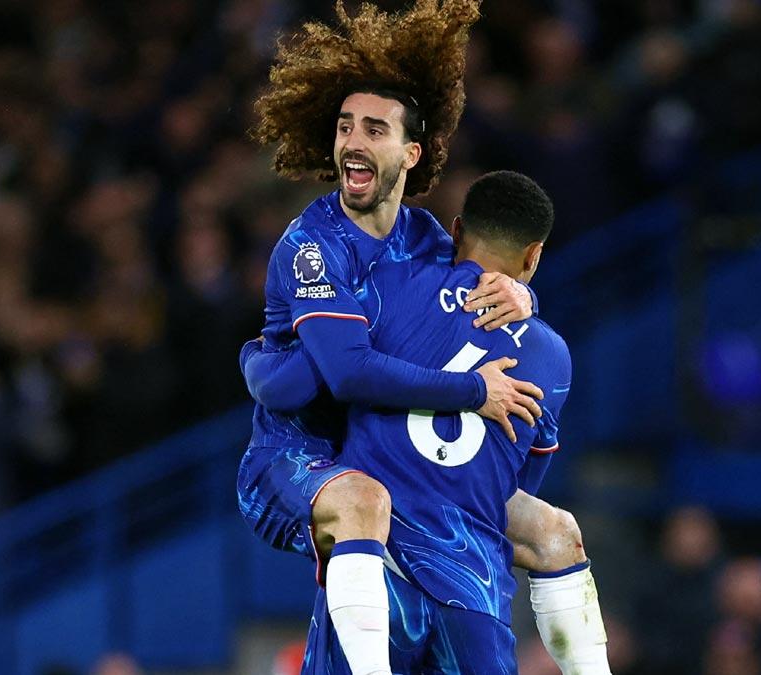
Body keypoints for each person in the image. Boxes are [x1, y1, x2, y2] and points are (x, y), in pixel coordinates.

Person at [237, 2, 607, 673]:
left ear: (411, 151)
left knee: (553, 530)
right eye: (344, 126)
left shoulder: (426, 239)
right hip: (296, 459)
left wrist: (524, 297)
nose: (351, 140)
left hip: (384, 454)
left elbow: (461, 309)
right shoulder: (313, 246)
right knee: (364, 501)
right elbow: (344, 375)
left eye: (372, 128)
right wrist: (474, 389)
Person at [297, 170, 604, 672]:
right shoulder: (552, 358)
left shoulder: (392, 288)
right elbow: (512, 486)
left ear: (456, 231)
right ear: (533, 256)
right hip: (475, 594)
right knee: (555, 529)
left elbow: (335, 371)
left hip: (379, 576)